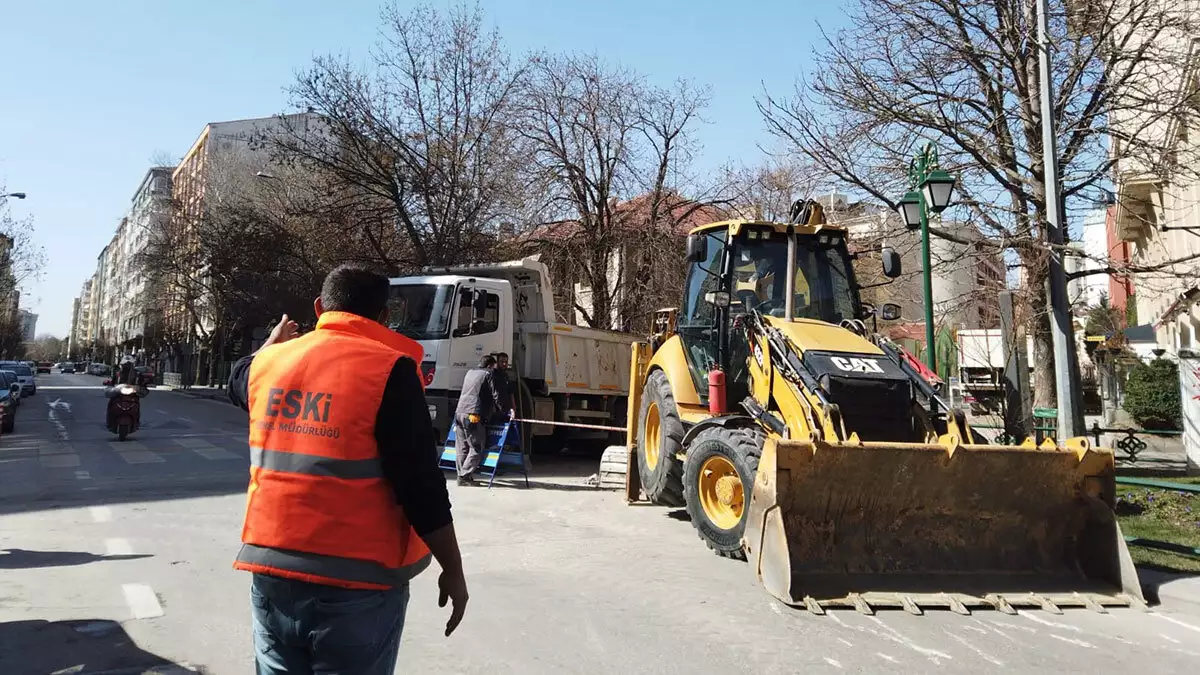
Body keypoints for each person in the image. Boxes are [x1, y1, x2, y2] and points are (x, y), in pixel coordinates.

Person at [227, 264, 468, 675]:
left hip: (272, 571)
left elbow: (237, 380)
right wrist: (453, 569)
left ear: (320, 307)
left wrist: (267, 347)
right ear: (384, 315)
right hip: (357, 580)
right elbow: (420, 485)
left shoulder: (268, 366)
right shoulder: (389, 371)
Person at [454, 355, 502, 486]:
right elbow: (495, 394)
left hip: (459, 412)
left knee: (462, 446)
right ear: (490, 366)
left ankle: (461, 475)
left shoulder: (470, 372)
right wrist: (502, 409)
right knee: (476, 447)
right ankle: (464, 475)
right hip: (473, 414)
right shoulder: (488, 373)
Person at [490, 352, 514, 424]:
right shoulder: (492, 374)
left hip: (505, 409)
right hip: (495, 410)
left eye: (506, 362)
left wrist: (513, 406)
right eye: (502, 362)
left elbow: (510, 391)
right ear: (497, 362)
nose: (504, 364)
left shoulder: (506, 375)